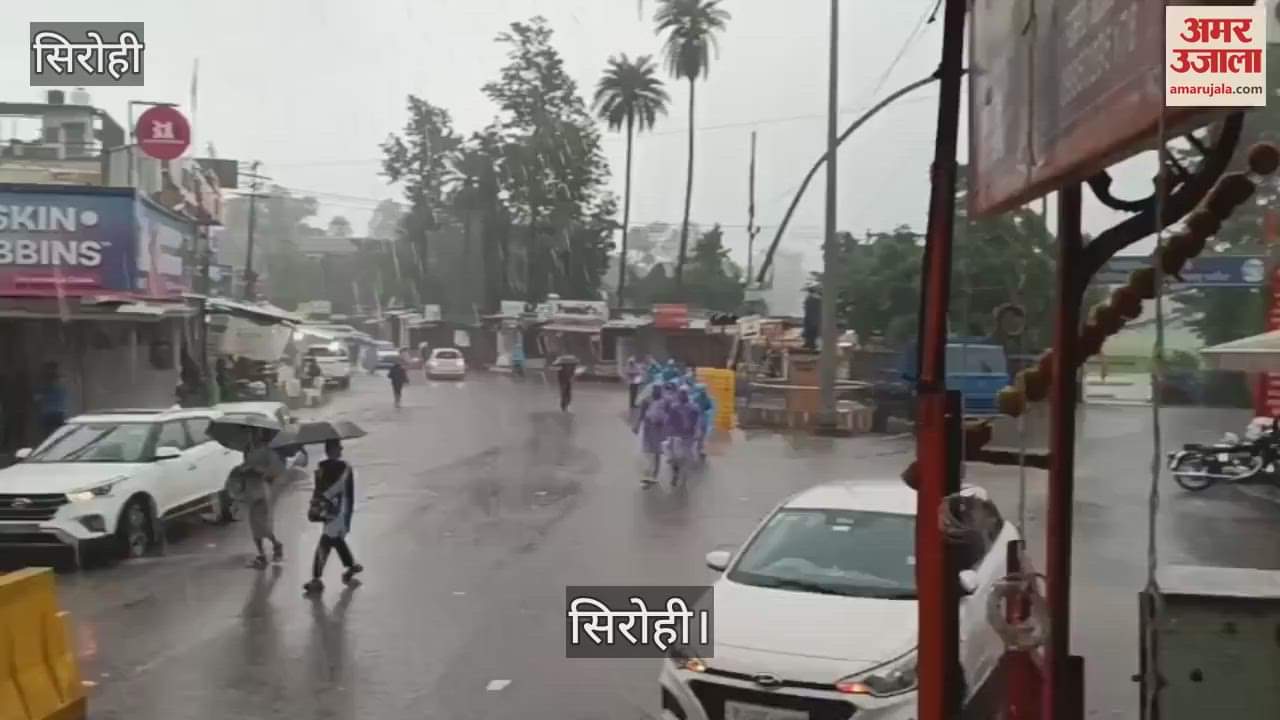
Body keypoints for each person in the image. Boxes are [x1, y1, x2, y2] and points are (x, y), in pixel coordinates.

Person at [305, 439, 362, 593]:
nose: (341, 450)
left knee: (326, 543)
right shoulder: (344, 468)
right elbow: (348, 494)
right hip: (339, 512)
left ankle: (317, 578)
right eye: (339, 447)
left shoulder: (324, 468)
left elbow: (323, 491)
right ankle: (350, 567)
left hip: (331, 512)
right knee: (335, 540)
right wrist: (347, 517)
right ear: (332, 449)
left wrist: (320, 503)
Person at [664, 387, 700, 485]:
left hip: (688, 436)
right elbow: (668, 421)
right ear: (679, 395)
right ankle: (676, 474)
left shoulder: (694, 408)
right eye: (681, 393)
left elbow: (697, 422)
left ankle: (683, 476)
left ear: (688, 395)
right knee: (675, 457)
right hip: (676, 435)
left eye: (684, 393)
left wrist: (697, 432)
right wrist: (667, 432)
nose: (683, 395)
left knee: (685, 457)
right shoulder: (674, 407)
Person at [633, 384, 667, 482]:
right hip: (648, 428)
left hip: (658, 429)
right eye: (655, 390)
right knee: (647, 450)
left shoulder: (664, 402)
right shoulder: (647, 401)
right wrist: (637, 425)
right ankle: (648, 471)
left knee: (656, 452)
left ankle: (654, 474)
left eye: (658, 390)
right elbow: (641, 414)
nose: (657, 392)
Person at [33, 363, 67, 440]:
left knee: (48, 434)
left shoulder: (43, 382)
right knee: (58, 434)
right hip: (58, 411)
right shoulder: (61, 381)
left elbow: (37, 398)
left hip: (49, 412)